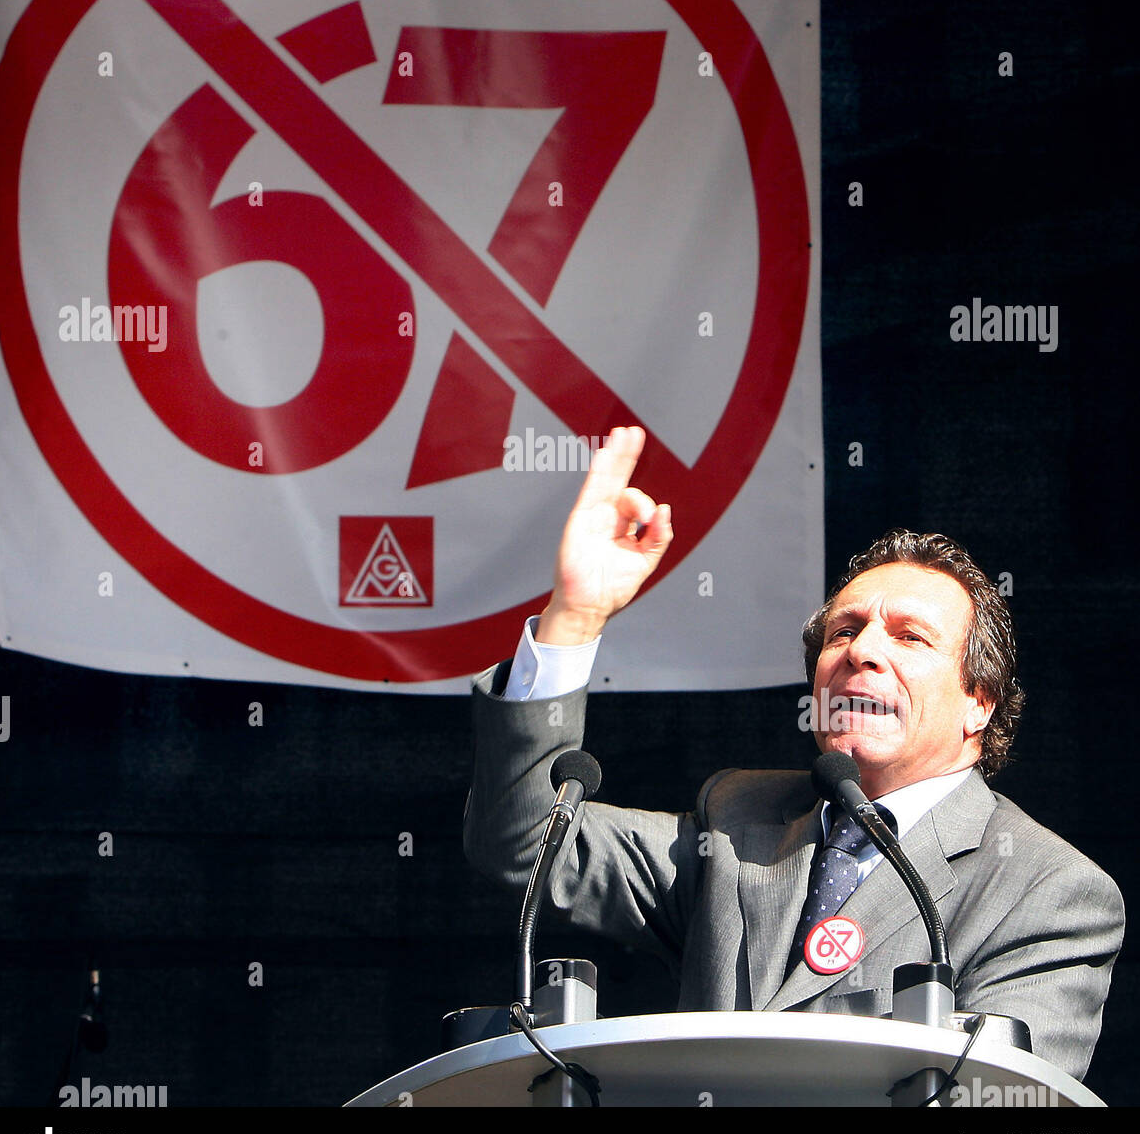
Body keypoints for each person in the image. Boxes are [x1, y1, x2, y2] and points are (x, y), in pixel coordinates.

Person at [464, 426, 1124, 1083]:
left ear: (979, 701)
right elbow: (522, 838)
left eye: (910, 637)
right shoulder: (735, 820)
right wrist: (573, 618)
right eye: (844, 629)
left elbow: (998, 1120)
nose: (862, 651)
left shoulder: (1051, 892)